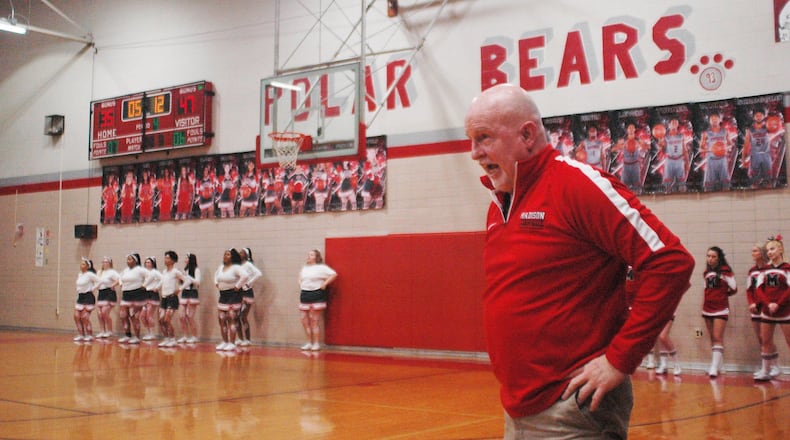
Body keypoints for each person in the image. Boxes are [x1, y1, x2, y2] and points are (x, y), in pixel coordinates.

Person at [464, 84, 694, 439]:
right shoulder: (500, 202)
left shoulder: (576, 185)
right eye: (471, 140)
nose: (475, 153)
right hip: (518, 409)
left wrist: (619, 359)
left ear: (527, 134)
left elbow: (670, 262)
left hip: (574, 409)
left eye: (484, 138)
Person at [754, 236, 790, 381]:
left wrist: (778, 303)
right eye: (767, 250)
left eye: (772, 249)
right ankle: (766, 370)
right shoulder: (765, 269)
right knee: (765, 340)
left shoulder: (787, 268)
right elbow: (759, 289)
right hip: (768, 311)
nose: (769, 252)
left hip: (785, 311)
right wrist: (768, 304)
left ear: (780, 249)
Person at [702, 246, 737, 377]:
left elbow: (734, 288)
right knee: (712, 338)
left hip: (720, 308)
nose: (710, 259)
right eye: (708, 256)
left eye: (713, 256)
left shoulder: (725, 271)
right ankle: (720, 367)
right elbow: (705, 290)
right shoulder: (706, 272)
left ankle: (713, 367)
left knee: (717, 337)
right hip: (707, 308)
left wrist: (721, 295)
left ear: (719, 258)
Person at [298, 249, 338, 351]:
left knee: (313, 320)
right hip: (305, 294)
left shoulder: (322, 267)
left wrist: (324, 284)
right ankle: (309, 342)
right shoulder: (305, 268)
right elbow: (300, 277)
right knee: (304, 320)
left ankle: (316, 343)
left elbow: (334, 274)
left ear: (316, 257)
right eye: (308, 254)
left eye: (311, 255)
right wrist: (301, 284)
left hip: (316, 294)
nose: (308, 256)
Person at [214, 248, 250, 351]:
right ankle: (225, 342)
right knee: (221, 319)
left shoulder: (236, 268)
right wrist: (216, 283)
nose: (225, 256)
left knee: (231, 318)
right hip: (223, 295)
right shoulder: (221, 267)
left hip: (233, 296)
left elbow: (245, 276)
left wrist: (238, 286)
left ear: (233, 256)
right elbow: (216, 275)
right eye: (225, 254)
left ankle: (232, 342)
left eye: (228, 254)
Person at [747, 242, 771, 375]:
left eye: (755, 251)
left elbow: (770, 290)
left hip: (765, 307)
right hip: (755, 307)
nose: (753, 253)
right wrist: (751, 303)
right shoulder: (752, 271)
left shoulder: (769, 269)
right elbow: (749, 290)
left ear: (762, 253)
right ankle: (766, 366)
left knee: (766, 338)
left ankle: (772, 366)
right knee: (760, 338)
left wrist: (764, 303)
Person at [158, 251, 188, 348]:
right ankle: (166, 338)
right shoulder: (164, 272)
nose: (165, 260)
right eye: (165, 258)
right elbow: (162, 283)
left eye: (168, 258)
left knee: (167, 319)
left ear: (173, 260)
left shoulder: (175, 272)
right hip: (164, 298)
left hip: (172, 298)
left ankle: (173, 339)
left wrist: (179, 289)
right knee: (161, 320)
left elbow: (187, 281)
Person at [118, 253, 148, 344]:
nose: (128, 261)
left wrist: (144, 285)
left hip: (136, 295)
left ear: (135, 261)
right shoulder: (125, 270)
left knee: (133, 316)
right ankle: (127, 335)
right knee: (123, 315)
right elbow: (120, 277)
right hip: (126, 295)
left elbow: (150, 276)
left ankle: (137, 337)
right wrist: (120, 284)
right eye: (127, 259)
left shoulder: (140, 269)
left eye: (130, 259)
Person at [237, 247, 263, 347]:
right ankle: (240, 338)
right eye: (240, 252)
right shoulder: (238, 265)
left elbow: (258, 274)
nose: (240, 253)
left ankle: (247, 339)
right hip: (239, 293)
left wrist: (249, 283)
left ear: (246, 255)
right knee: (236, 317)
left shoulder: (248, 265)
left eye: (242, 252)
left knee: (243, 316)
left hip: (247, 293)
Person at [74, 258, 100, 342]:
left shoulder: (90, 274)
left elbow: (99, 281)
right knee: (76, 316)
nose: (81, 266)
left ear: (88, 266)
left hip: (88, 297)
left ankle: (89, 335)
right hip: (80, 297)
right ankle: (81, 335)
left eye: (83, 264)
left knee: (84, 317)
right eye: (81, 264)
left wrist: (93, 288)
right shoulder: (80, 274)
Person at [178, 253, 201, 344]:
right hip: (185, 293)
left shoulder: (196, 269)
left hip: (192, 293)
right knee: (181, 316)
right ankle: (185, 336)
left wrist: (187, 276)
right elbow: (183, 283)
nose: (185, 259)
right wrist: (180, 277)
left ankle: (194, 336)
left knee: (190, 316)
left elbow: (197, 282)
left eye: (187, 257)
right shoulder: (185, 269)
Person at [95, 257, 120, 338]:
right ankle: (102, 331)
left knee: (104, 312)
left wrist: (113, 285)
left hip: (109, 293)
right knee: (99, 314)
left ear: (110, 263)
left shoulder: (112, 272)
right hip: (101, 293)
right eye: (103, 262)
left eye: (106, 262)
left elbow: (119, 280)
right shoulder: (99, 272)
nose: (104, 263)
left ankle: (110, 331)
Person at [141, 257, 162, 341]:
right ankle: (148, 332)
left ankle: (152, 333)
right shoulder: (144, 273)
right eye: (146, 262)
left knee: (149, 314)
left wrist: (157, 287)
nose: (147, 264)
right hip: (145, 295)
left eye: (149, 262)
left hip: (153, 295)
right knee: (142, 316)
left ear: (153, 263)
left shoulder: (155, 272)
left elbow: (163, 279)